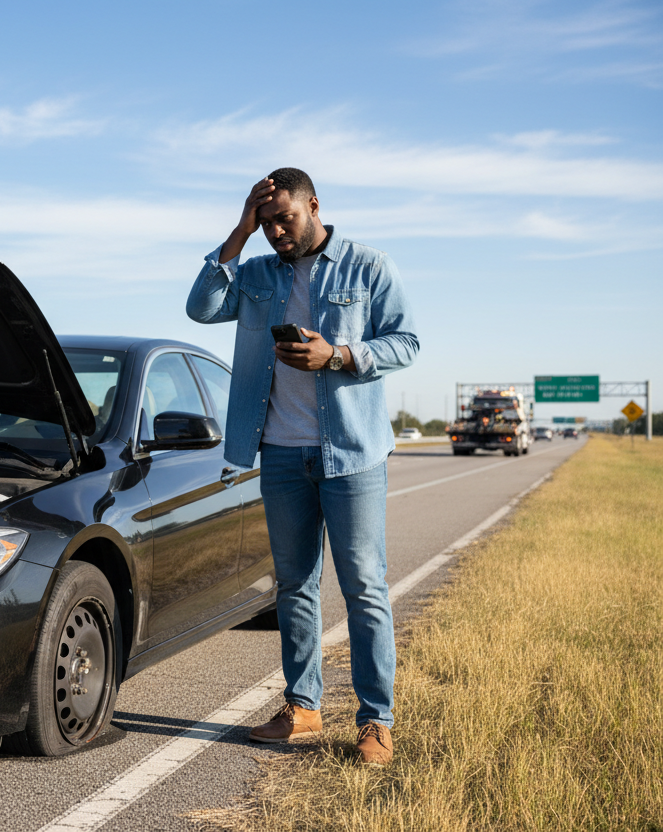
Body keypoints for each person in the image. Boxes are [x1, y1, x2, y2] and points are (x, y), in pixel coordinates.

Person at [186, 168, 418, 766]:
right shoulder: (256, 271)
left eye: (283, 219)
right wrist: (237, 233)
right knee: (295, 587)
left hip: (353, 453)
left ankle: (376, 722)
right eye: (265, 224)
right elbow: (201, 307)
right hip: (282, 453)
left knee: (364, 588)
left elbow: (407, 341)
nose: (275, 233)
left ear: (313, 205)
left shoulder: (367, 266)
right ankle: (304, 708)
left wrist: (337, 355)